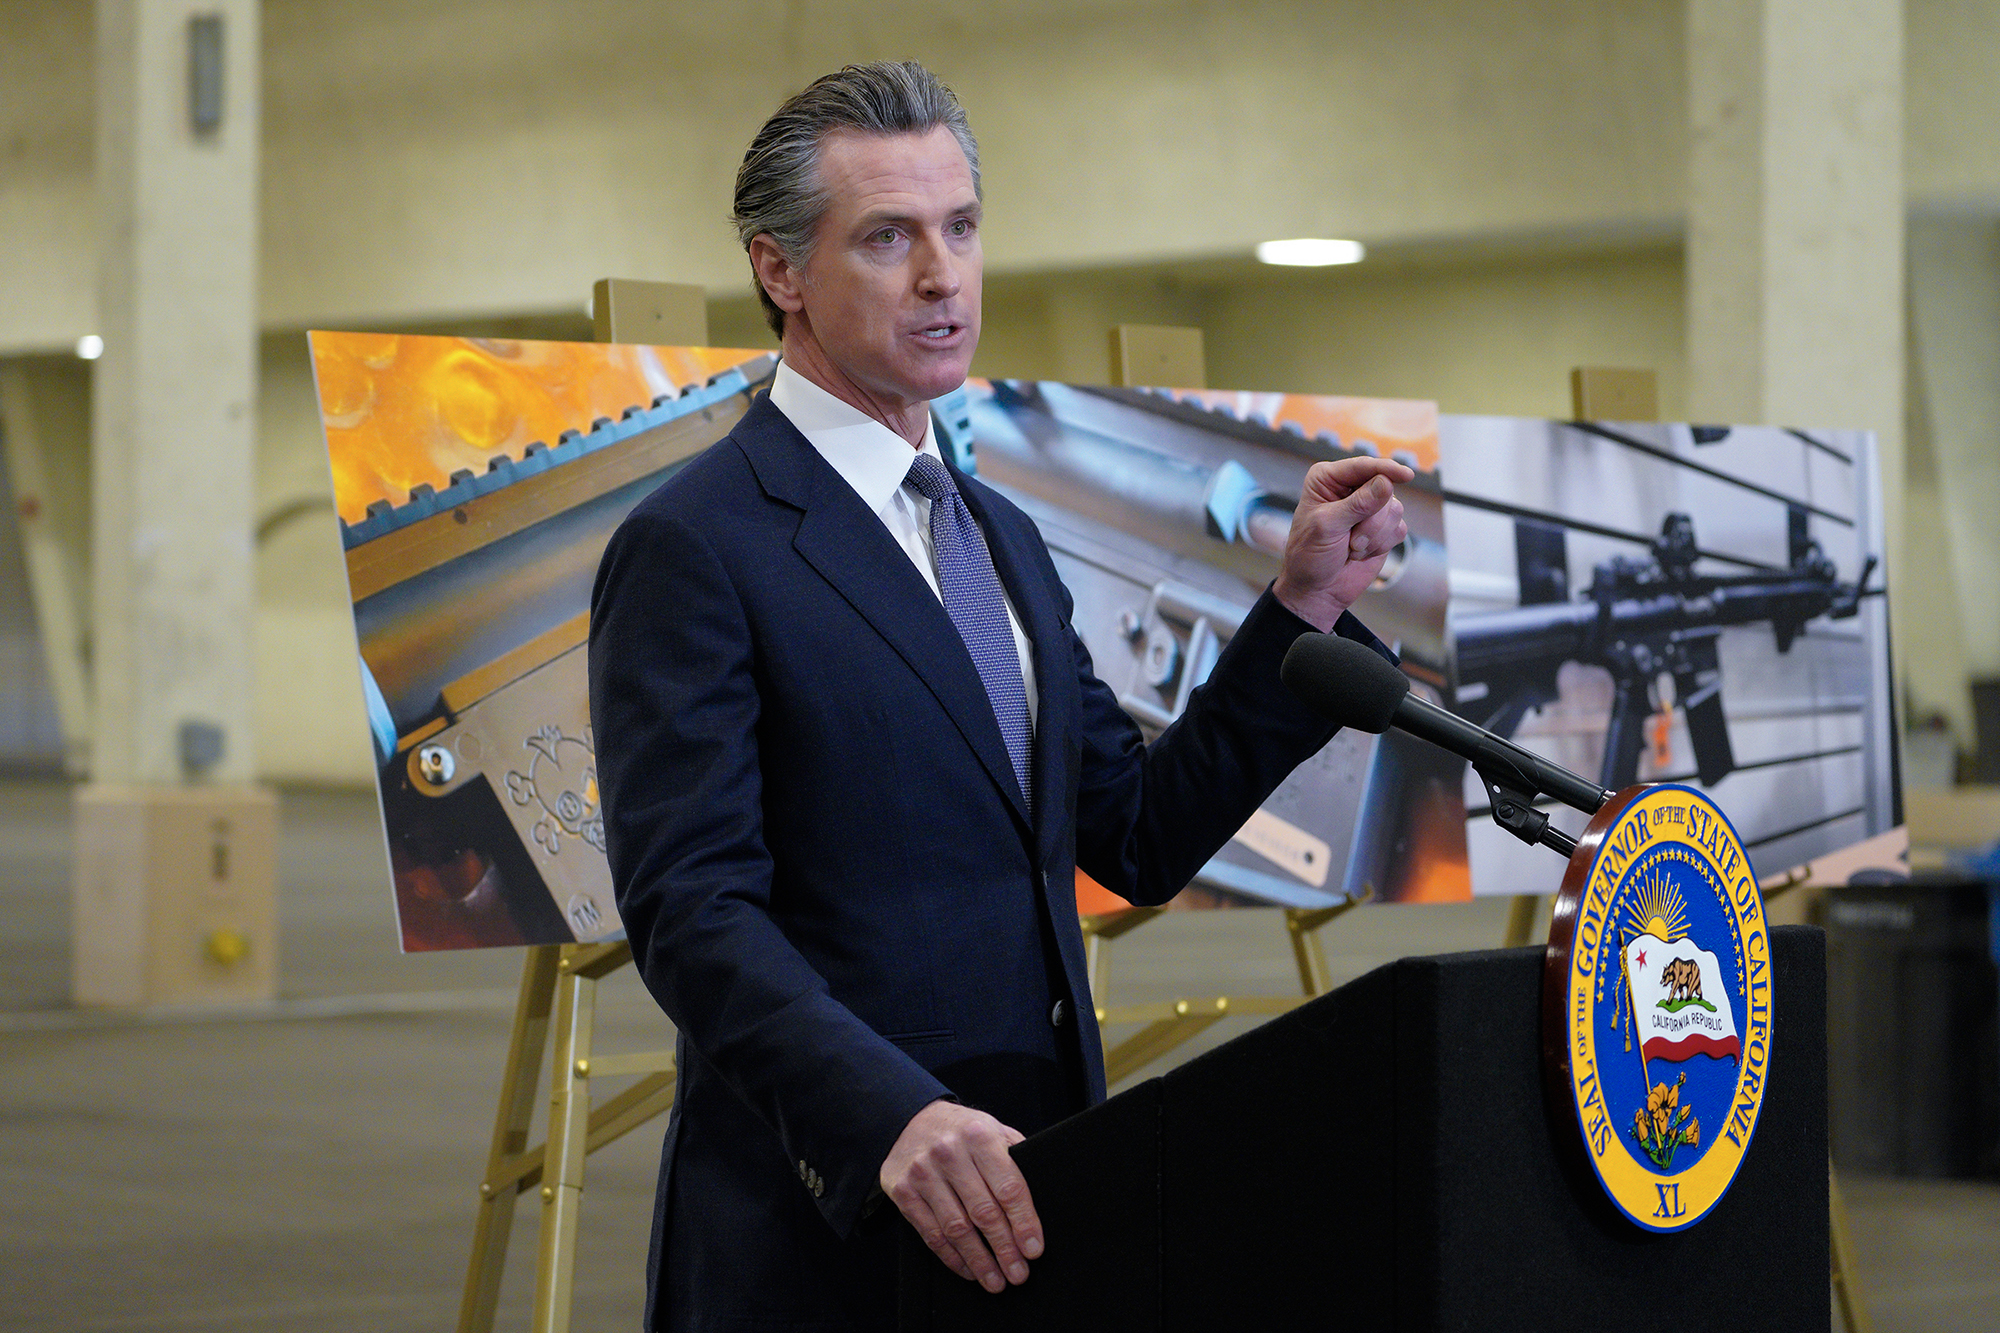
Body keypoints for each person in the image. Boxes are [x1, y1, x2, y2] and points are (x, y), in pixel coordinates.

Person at [588, 60, 1412, 1333]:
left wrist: (1295, 609)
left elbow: (1130, 834)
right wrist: (886, 1115)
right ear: (779, 271)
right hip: (832, 1217)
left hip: (1033, 1186)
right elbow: (691, 914)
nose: (941, 275)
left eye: (960, 229)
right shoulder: (698, 544)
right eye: (887, 237)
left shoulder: (1001, 538)